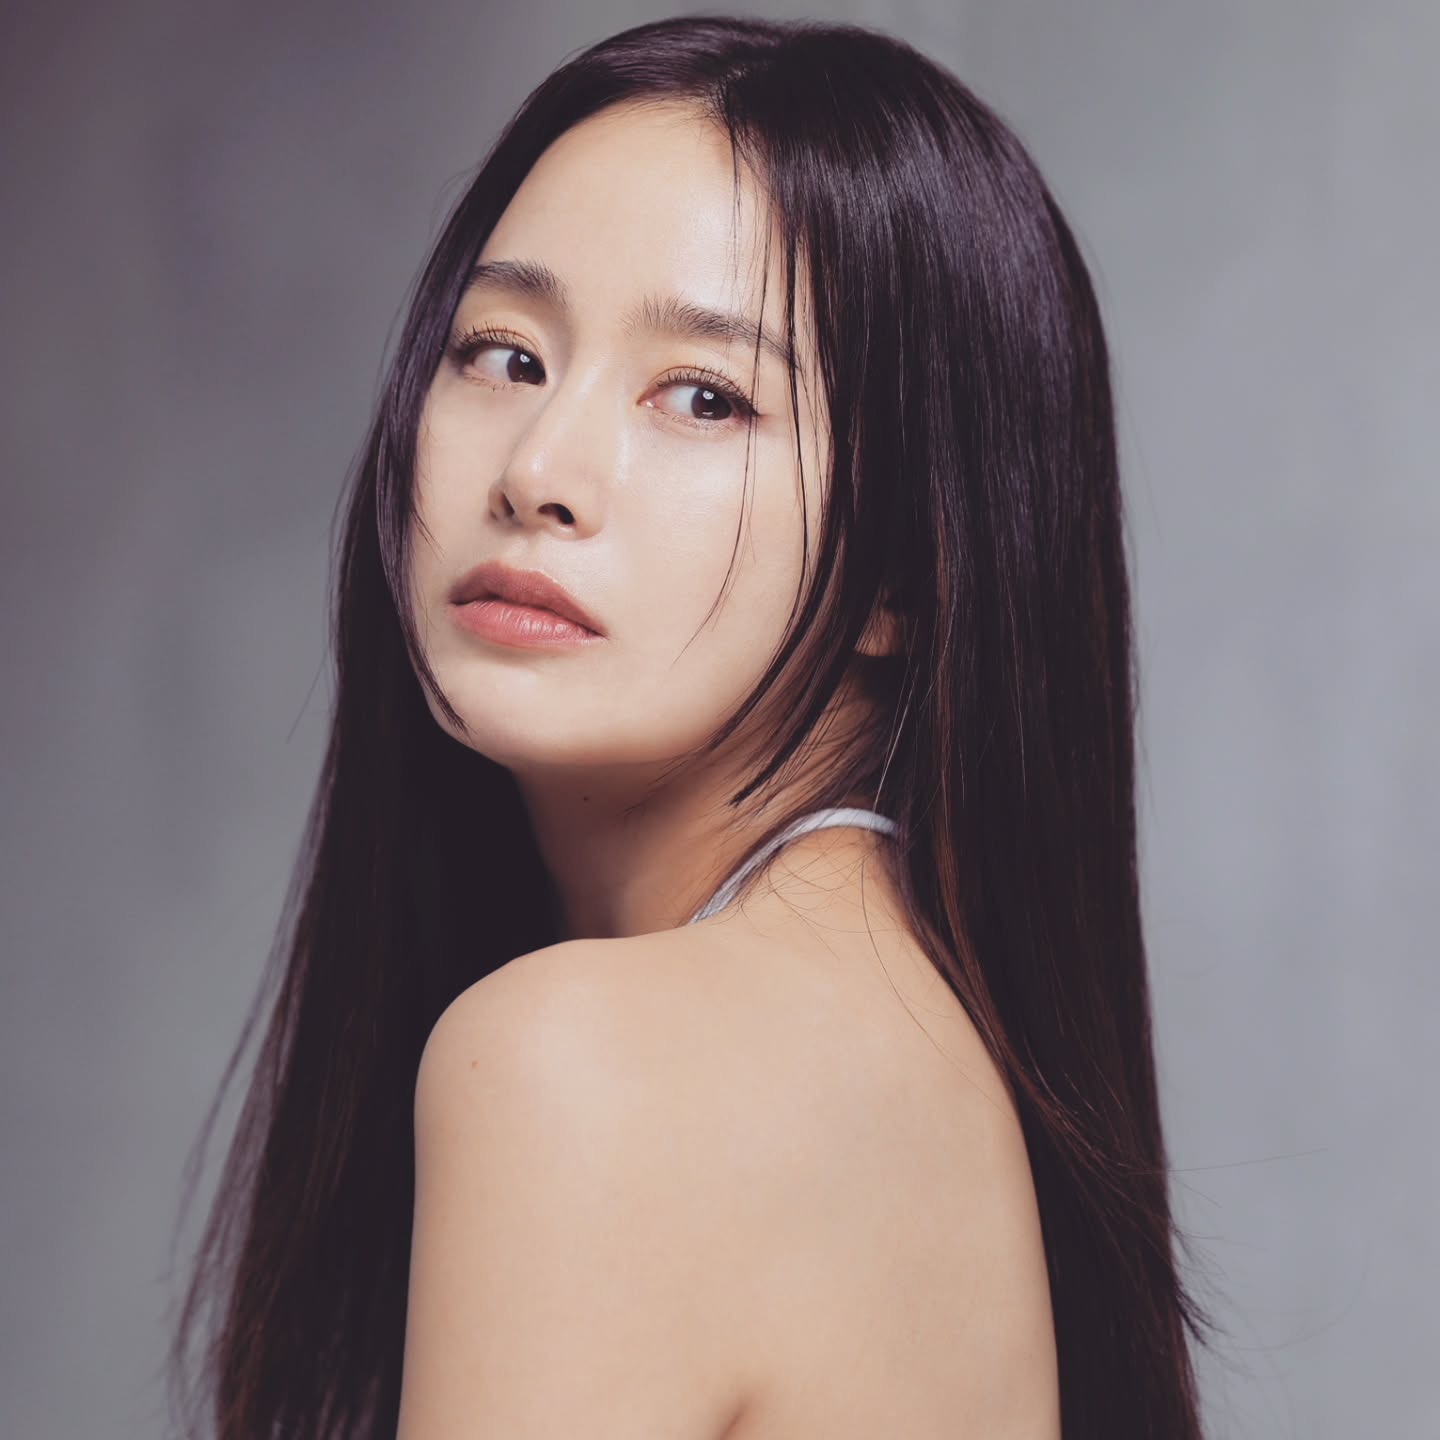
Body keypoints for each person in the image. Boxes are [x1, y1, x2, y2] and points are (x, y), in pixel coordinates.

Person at [166, 13, 1218, 1439]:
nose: (540, 469)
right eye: (504, 355)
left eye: (705, 397)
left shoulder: (587, 1065)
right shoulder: (915, 1044)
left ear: (907, 574)